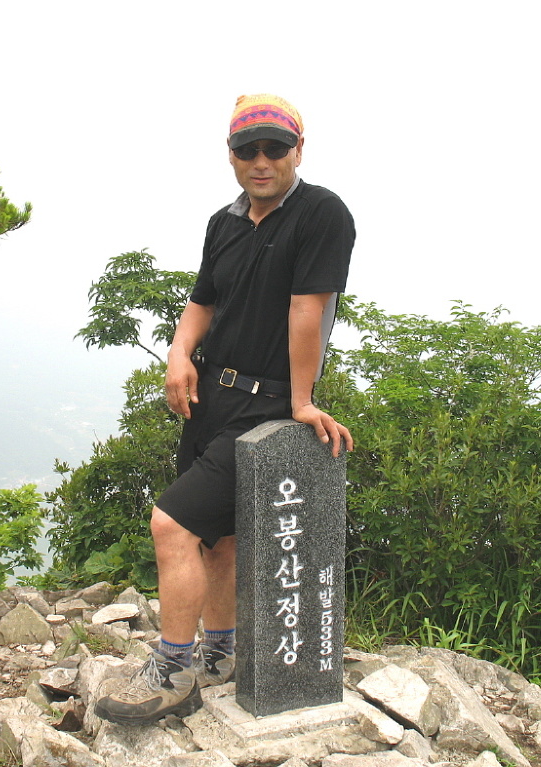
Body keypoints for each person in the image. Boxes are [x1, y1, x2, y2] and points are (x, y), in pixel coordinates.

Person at [96, 94, 356, 726]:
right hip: (212, 395)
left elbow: (307, 309)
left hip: (267, 401)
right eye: (248, 150)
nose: (261, 161)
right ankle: (218, 651)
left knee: (172, 524)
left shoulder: (321, 213)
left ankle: (173, 669)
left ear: (300, 148)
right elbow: (201, 303)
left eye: (275, 148)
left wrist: (299, 401)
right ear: (231, 156)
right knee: (220, 538)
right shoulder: (224, 222)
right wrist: (179, 355)